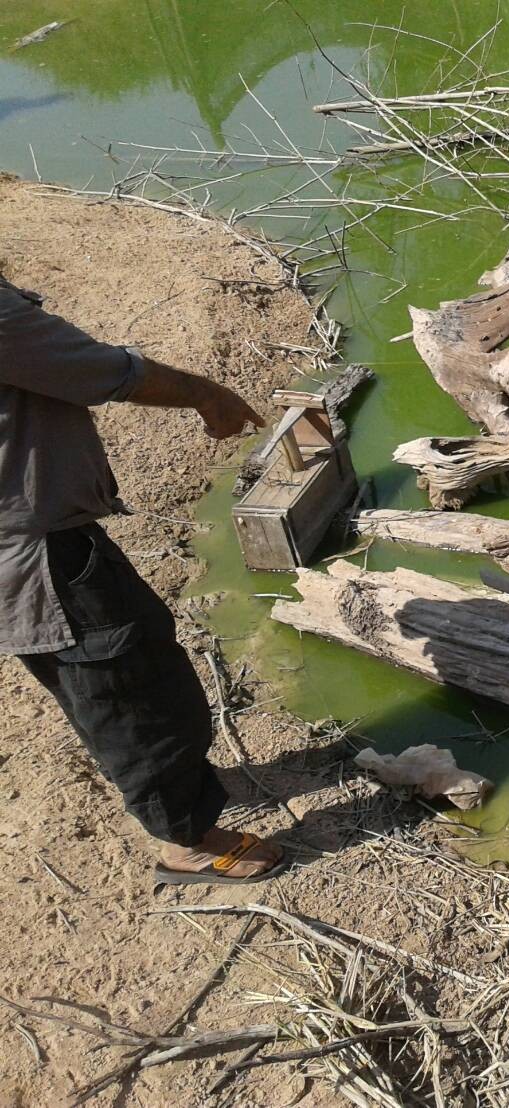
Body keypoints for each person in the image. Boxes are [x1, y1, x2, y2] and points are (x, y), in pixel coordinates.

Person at [1, 273, 286, 884]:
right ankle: (188, 840)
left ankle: (163, 789)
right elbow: (107, 373)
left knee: (88, 680)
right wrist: (208, 395)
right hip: (37, 553)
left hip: (23, 545)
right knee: (135, 688)